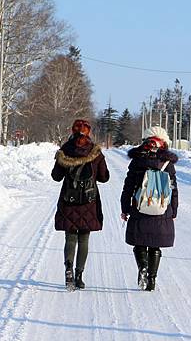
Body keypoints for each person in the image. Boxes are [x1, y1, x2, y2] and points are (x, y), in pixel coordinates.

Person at [51, 119, 110, 289]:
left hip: (68, 200)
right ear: (88, 132)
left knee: (70, 237)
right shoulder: (95, 152)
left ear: (72, 131)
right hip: (88, 201)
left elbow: (56, 176)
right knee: (84, 238)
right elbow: (104, 177)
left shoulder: (65, 151)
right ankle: (79, 275)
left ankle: (68, 268)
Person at [120, 125, 178, 291]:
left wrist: (125, 208)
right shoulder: (167, 162)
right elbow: (173, 188)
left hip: (140, 207)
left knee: (139, 243)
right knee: (155, 245)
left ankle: (142, 267)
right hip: (161, 207)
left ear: (146, 140)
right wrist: (173, 210)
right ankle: (151, 280)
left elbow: (128, 186)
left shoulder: (138, 159)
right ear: (163, 142)